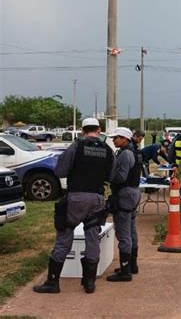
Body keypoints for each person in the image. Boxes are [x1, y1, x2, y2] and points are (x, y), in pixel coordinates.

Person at [33, 118, 115, 294]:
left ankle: (52, 283)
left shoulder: (76, 147)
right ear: (99, 130)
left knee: (65, 235)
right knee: (93, 237)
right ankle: (89, 283)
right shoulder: (108, 150)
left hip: (76, 197)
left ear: (83, 130)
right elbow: (112, 174)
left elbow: (60, 171)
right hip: (97, 199)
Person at [106, 127, 142, 282]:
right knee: (131, 229)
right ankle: (132, 265)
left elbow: (121, 176)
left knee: (123, 233)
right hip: (133, 192)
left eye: (117, 138)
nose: (114, 140)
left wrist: (108, 177)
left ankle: (125, 271)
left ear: (125, 139)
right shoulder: (133, 152)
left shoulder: (125, 154)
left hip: (125, 194)